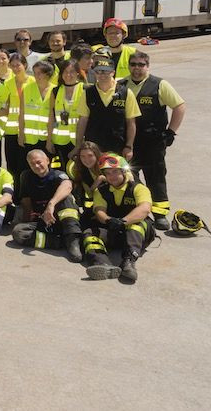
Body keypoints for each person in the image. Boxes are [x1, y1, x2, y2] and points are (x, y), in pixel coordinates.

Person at [126, 51, 185, 229]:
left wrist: (171, 132)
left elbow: (179, 106)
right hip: (129, 142)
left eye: (141, 65)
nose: (137, 68)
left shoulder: (159, 84)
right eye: (133, 64)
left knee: (156, 177)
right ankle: (137, 210)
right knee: (130, 178)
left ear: (148, 66)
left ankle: (160, 214)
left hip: (153, 142)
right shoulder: (121, 84)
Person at [84, 154, 156, 282]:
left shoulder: (138, 188)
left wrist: (124, 222)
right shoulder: (101, 191)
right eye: (108, 173)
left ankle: (128, 263)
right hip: (114, 230)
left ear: (123, 171)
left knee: (137, 226)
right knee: (89, 234)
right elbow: (99, 210)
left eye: (115, 172)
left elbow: (144, 209)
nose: (112, 176)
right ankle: (104, 264)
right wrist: (108, 220)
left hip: (137, 235)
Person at [11, 149, 84, 262]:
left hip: (61, 218)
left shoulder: (58, 174)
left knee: (67, 198)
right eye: (32, 164)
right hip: (43, 219)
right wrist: (26, 221)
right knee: (18, 232)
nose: (36, 166)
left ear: (47, 161)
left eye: (39, 162)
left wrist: (51, 204)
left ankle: (73, 242)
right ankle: (60, 242)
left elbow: (67, 186)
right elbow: (26, 200)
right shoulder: (25, 176)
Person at [75, 57, 139, 157]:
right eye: (98, 72)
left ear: (113, 73)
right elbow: (83, 120)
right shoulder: (87, 93)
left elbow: (131, 122)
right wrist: (78, 145)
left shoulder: (126, 93)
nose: (102, 75)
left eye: (106, 72)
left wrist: (129, 146)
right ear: (94, 73)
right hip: (93, 148)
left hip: (118, 147)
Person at [0, 52, 28, 188]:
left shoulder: (33, 82)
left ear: (25, 65)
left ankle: (26, 193)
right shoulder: (7, 84)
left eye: (18, 65)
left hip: (29, 130)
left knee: (26, 164)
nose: (15, 68)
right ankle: (14, 193)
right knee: (12, 164)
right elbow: (1, 104)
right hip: (10, 130)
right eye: (12, 66)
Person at [17, 60, 56, 167]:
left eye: (39, 73)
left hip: (46, 138)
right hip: (29, 138)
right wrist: (21, 134)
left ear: (47, 74)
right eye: (35, 72)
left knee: (46, 168)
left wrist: (49, 140)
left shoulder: (55, 90)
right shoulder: (27, 89)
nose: (36, 75)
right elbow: (21, 114)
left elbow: (53, 117)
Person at [45, 59, 83, 166]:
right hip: (60, 141)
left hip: (79, 140)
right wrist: (49, 140)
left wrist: (79, 144)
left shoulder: (85, 89)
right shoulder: (55, 91)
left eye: (72, 71)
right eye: (65, 72)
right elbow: (51, 116)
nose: (68, 75)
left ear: (77, 73)